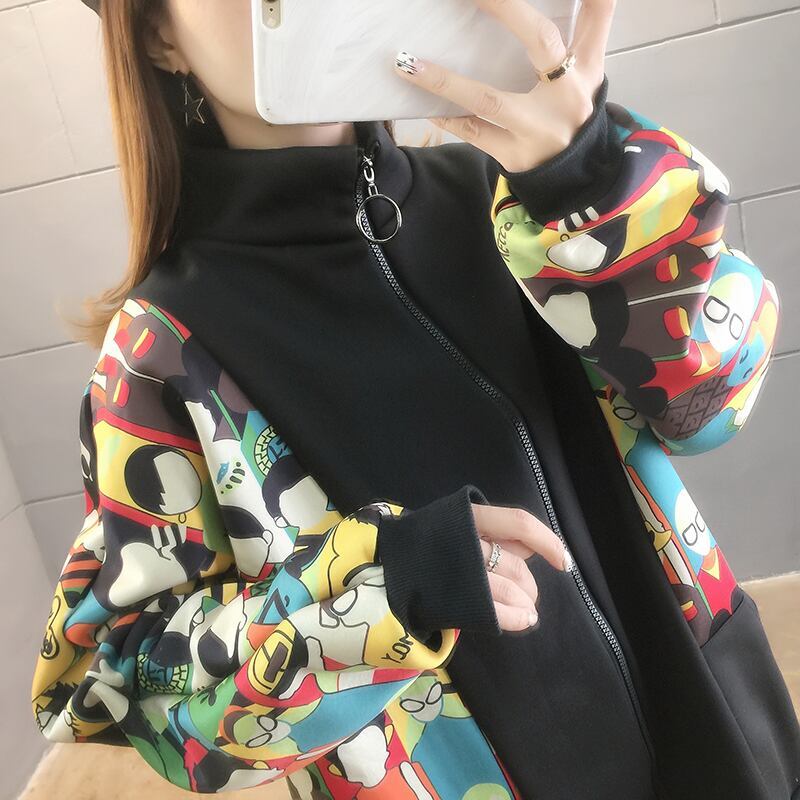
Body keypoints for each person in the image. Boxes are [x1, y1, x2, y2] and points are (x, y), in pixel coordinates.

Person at [29, 0, 800, 797]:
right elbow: (124, 678)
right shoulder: (160, 351)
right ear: (159, 34)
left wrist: (587, 182)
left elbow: (710, 404)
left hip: (715, 729)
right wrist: (383, 586)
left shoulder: (515, 195)